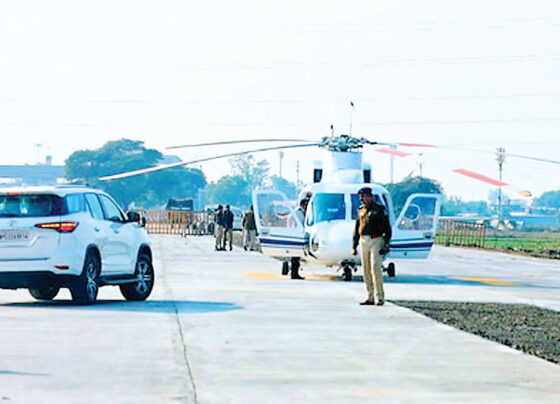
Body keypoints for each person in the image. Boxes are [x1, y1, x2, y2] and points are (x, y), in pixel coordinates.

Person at [352, 187, 391, 306]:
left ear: (370, 196)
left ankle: (379, 297)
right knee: (366, 269)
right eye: (361, 197)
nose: (362, 199)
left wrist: (387, 243)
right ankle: (370, 296)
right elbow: (357, 228)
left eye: (364, 197)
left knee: (375, 267)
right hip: (364, 240)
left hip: (376, 239)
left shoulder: (379, 209)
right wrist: (354, 245)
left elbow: (387, 227)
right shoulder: (361, 210)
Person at [287, 197, 309, 280]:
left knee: (297, 256)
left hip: (299, 233)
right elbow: (289, 219)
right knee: (295, 256)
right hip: (297, 233)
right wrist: (291, 229)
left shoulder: (300, 211)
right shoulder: (298, 211)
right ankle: (294, 273)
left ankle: (294, 273)